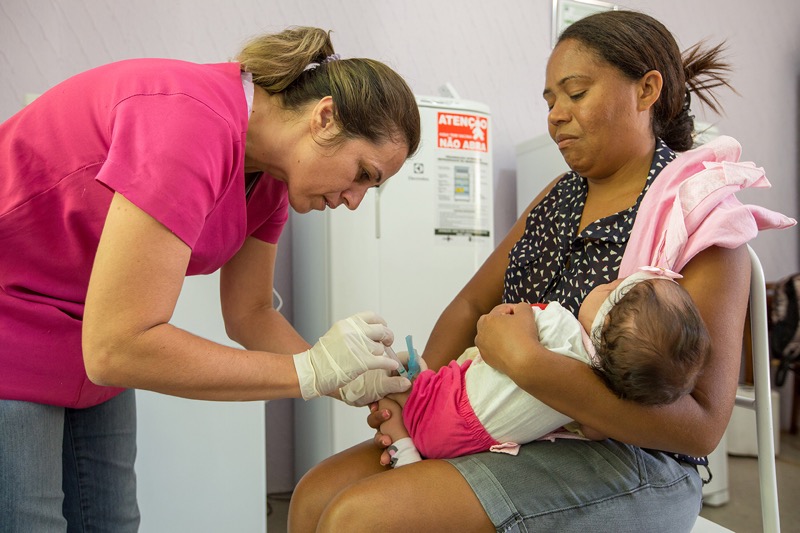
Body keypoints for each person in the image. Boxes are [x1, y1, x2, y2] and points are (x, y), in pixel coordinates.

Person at [288, 11, 794, 532]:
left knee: (359, 519)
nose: (556, 115)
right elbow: (470, 305)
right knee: (313, 497)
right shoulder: (558, 198)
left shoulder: (699, 216)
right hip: (506, 423)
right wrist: (418, 399)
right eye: (550, 100)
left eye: (575, 93)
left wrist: (533, 366)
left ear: (646, 91)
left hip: (635, 459)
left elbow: (701, 428)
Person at [0, 26, 420, 530]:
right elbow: (119, 345)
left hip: (84, 333)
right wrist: (310, 372)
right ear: (324, 117)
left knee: (112, 521)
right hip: (16, 318)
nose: (354, 201)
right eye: (363, 174)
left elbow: (250, 315)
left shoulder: (269, 182)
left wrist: (346, 376)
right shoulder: (190, 122)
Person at [379, 270, 712, 467]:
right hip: (473, 445)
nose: (609, 282)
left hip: (447, 404)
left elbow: (499, 322)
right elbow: (594, 431)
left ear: (606, 315)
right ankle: (405, 446)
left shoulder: (556, 321)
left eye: (611, 288)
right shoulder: (596, 386)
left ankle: (402, 437)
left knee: (388, 388)